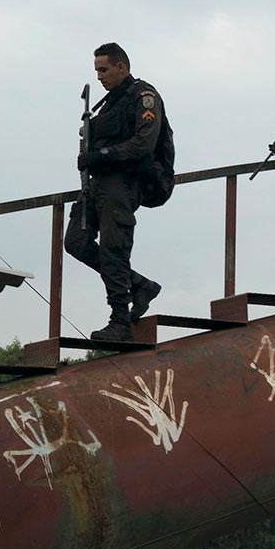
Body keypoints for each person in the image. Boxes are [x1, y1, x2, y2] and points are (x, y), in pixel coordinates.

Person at [65, 42, 168, 341]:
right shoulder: (108, 104)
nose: (99, 76)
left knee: (114, 248)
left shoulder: (143, 97)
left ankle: (120, 321)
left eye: (104, 69)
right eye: (96, 70)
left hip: (125, 182)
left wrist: (102, 155)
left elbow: (144, 144)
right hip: (98, 184)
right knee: (76, 241)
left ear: (122, 66)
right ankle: (138, 284)